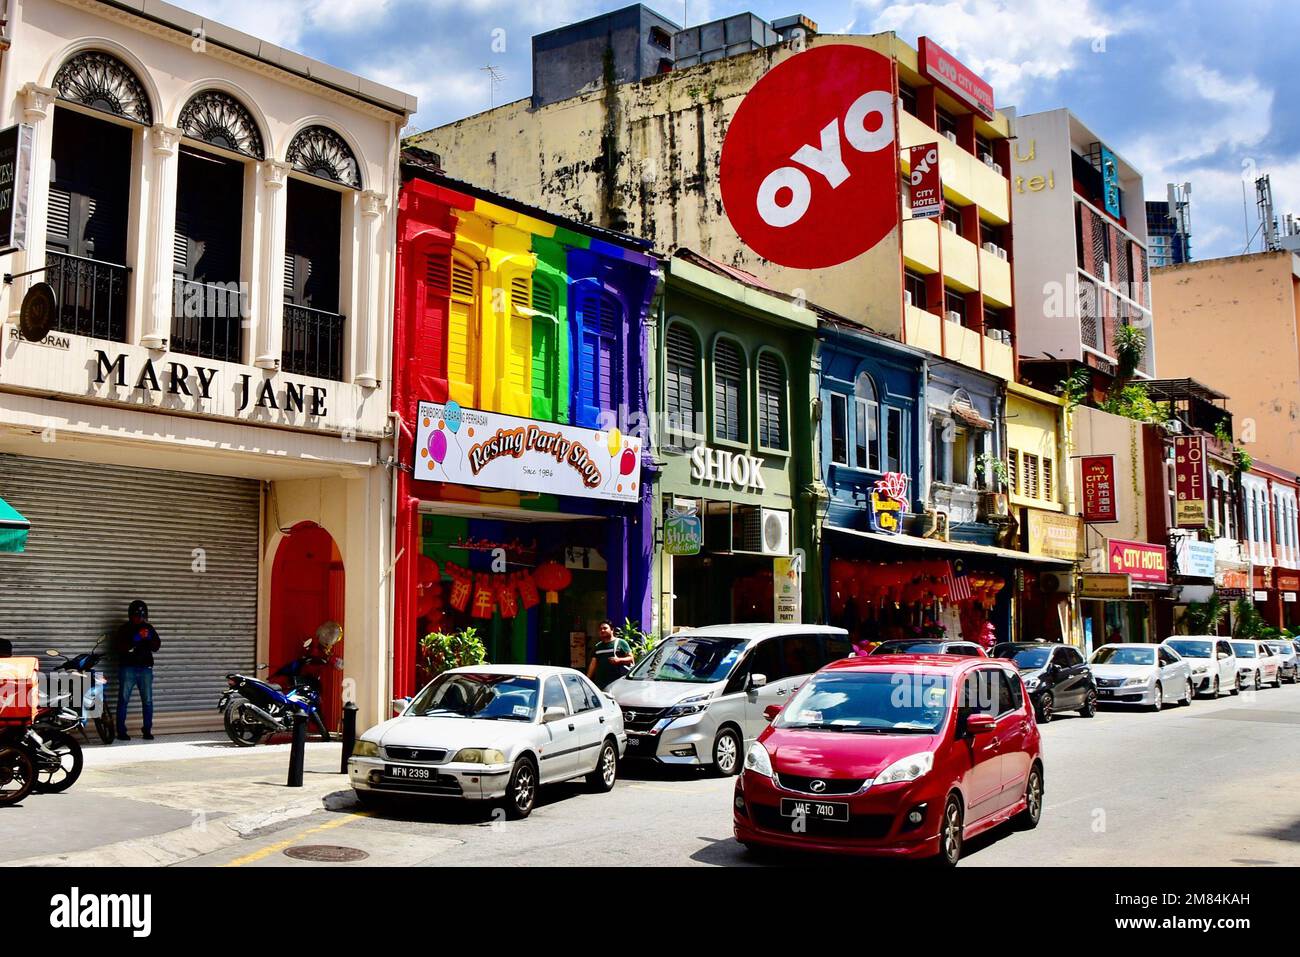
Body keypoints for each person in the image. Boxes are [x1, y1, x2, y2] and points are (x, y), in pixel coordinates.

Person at [115, 599, 161, 740]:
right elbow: (120, 647)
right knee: (123, 700)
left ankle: (147, 730)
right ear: (130, 615)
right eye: (137, 615)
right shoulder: (124, 629)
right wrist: (136, 638)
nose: (139, 618)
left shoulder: (148, 628)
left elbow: (156, 646)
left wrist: (149, 637)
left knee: (147, 701)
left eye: (142, 616)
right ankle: (121, 731)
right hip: (128, 668)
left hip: (145, 669)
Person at [586, 619, 634, 689]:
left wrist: (619, 660)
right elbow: (593, 664)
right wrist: (588, 679)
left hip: (618, 684)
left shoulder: (621, 643)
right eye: (600, 629)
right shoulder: (598, 646)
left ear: (612, 630)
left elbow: (631, 658)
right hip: (601, 684)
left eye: (605, 628)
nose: (602, 631)